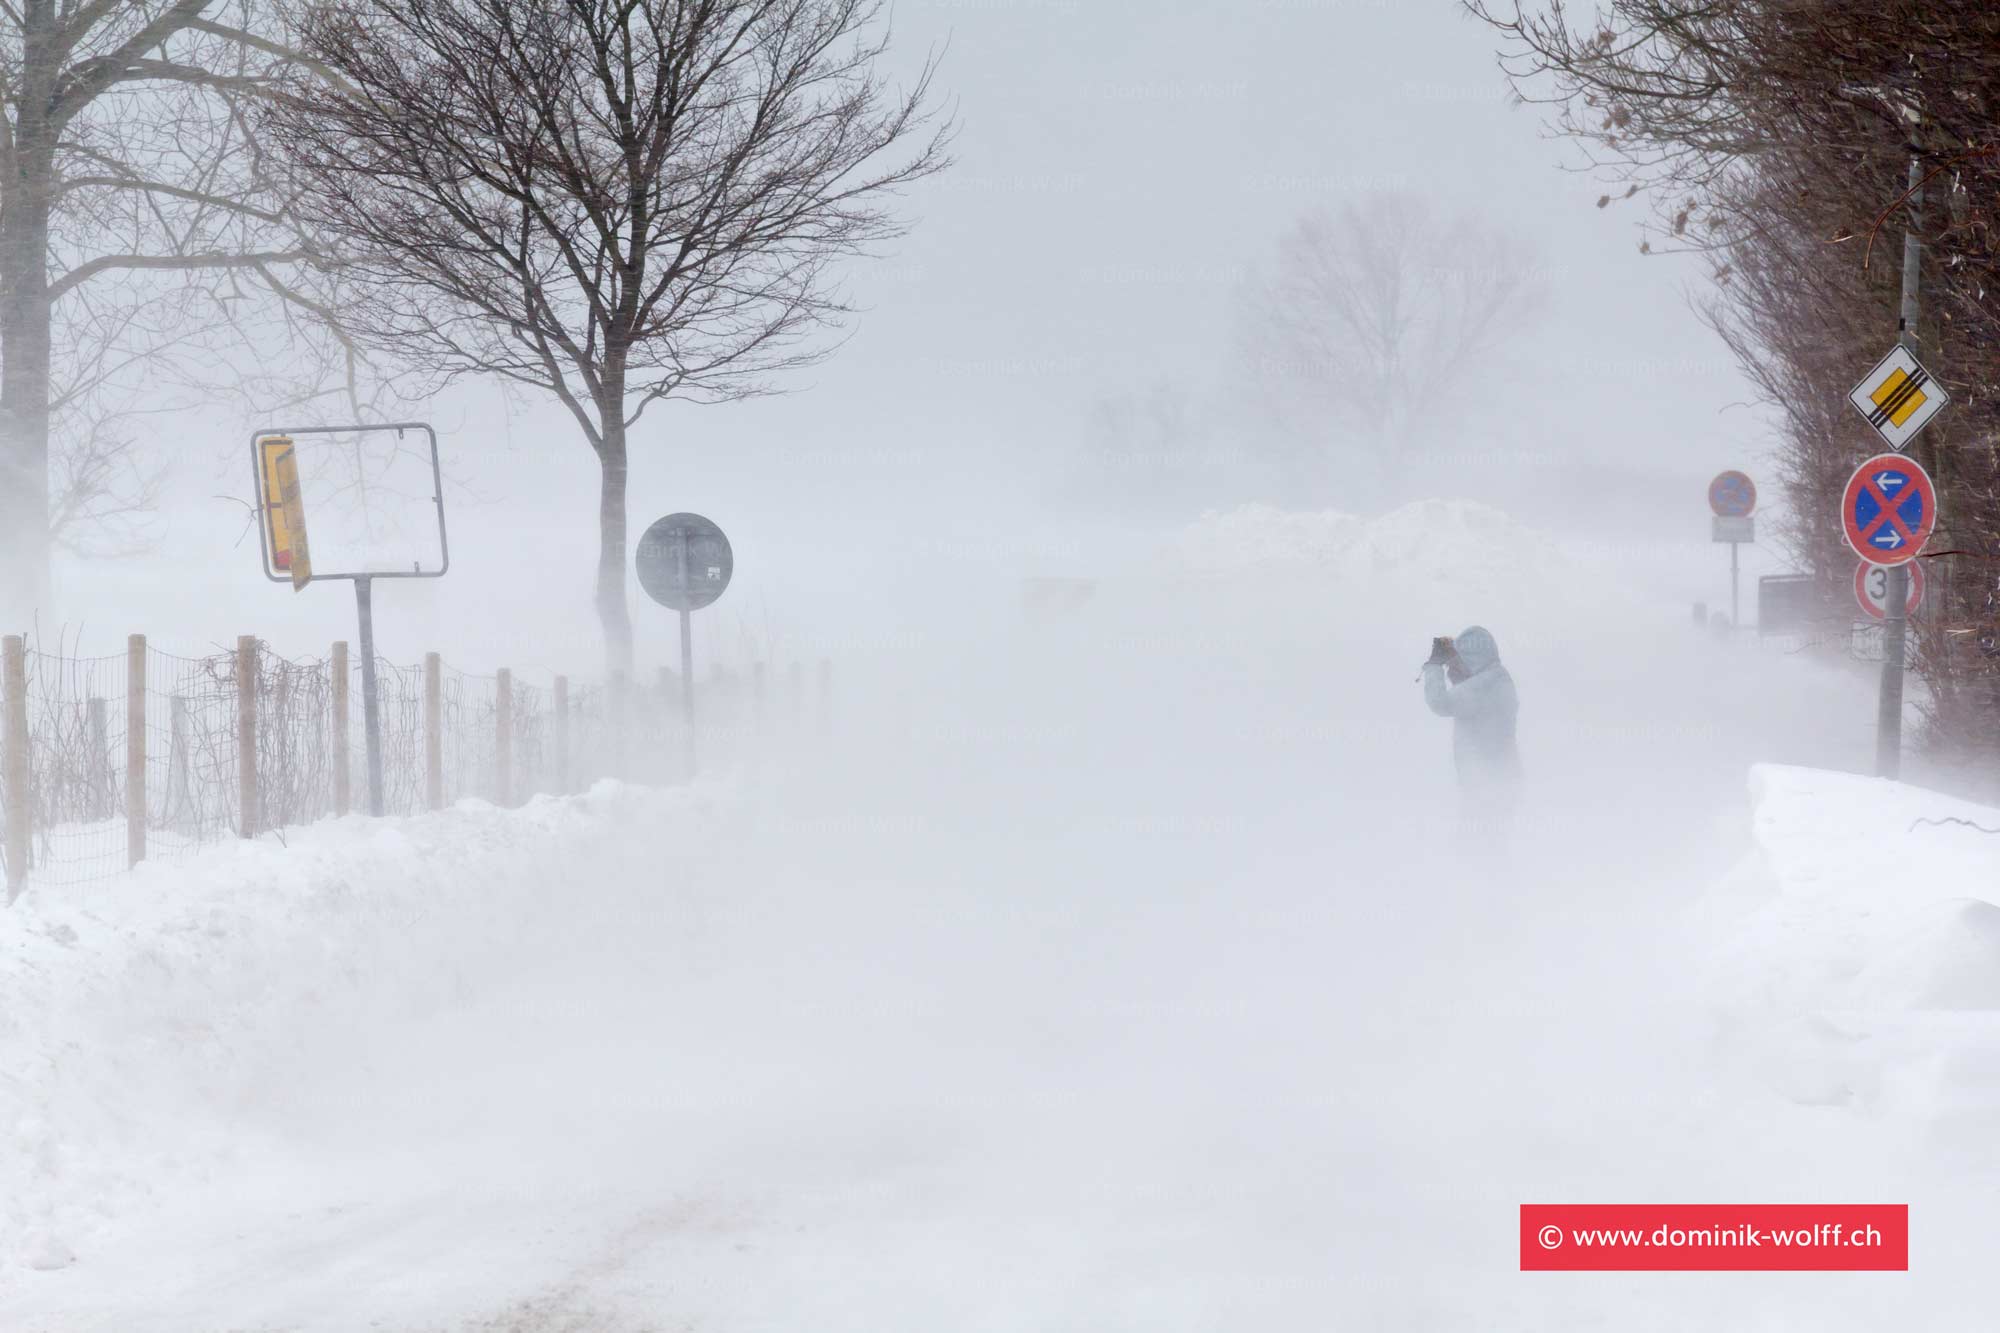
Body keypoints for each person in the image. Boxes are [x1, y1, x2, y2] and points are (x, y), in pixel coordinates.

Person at [1421, 626, 1522, 834]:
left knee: (1478, 850)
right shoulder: (1498, 678)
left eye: (1460, 660)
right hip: (1497, 782)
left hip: (1486, 789)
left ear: (1474, 657)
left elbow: (1440, 702)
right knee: (1492, 848)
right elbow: (1466, 691)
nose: (1454, 667)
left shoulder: (1486, 685)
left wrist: (1434, 665)